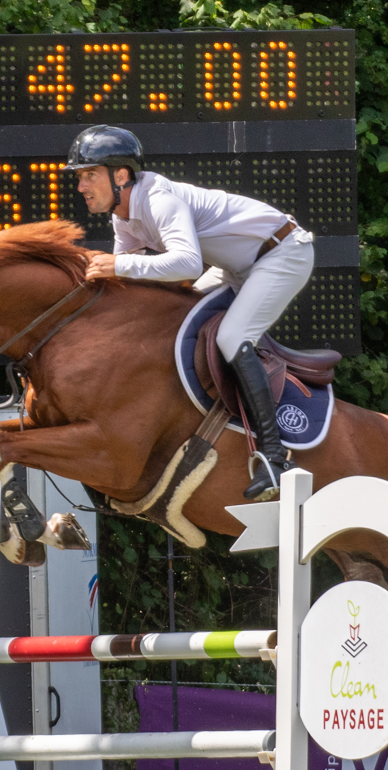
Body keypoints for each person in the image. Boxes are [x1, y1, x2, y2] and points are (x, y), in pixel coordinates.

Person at [65, 124, 315, 501]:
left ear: (121, 175)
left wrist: (119, 266)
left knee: (232, 337)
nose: (81, 186)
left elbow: (186, 263)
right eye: (80, 177)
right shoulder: (123, 216)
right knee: (179, 321)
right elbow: (126, 280)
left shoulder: (158, 199)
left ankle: (276, 459)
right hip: (239, 266)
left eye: (89, 175)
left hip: (282, 253)